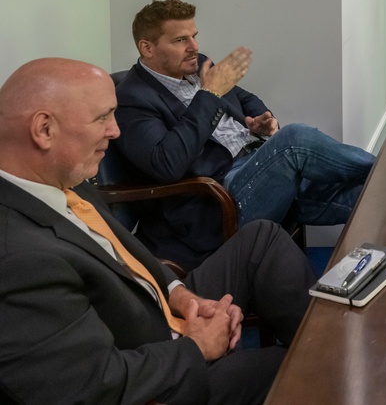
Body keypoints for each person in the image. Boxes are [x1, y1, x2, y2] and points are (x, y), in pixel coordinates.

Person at [0, 58, 315, 405]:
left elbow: (125, 252)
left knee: (262, 239)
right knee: (293, 368)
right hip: (155, 378)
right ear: (44, 130)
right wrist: (199, 346)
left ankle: (335, 346)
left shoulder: (60, 176)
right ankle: (332, 367)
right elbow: (91, 387)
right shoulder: (19, 258)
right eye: (102, 117)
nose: (116, 131)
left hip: (149, 308)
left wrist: (180, 295)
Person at [114, 0, 376, 269]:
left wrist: (261, 120)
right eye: (181, 40)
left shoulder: (198, 66)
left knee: (363, 195)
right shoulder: (131, 99)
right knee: (293, 140)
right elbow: (167, 164)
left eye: (194, 36)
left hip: (256, 168)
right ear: (147, 47)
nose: (194, 47)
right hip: (216, 203)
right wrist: (209, 94)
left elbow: (244, 97)